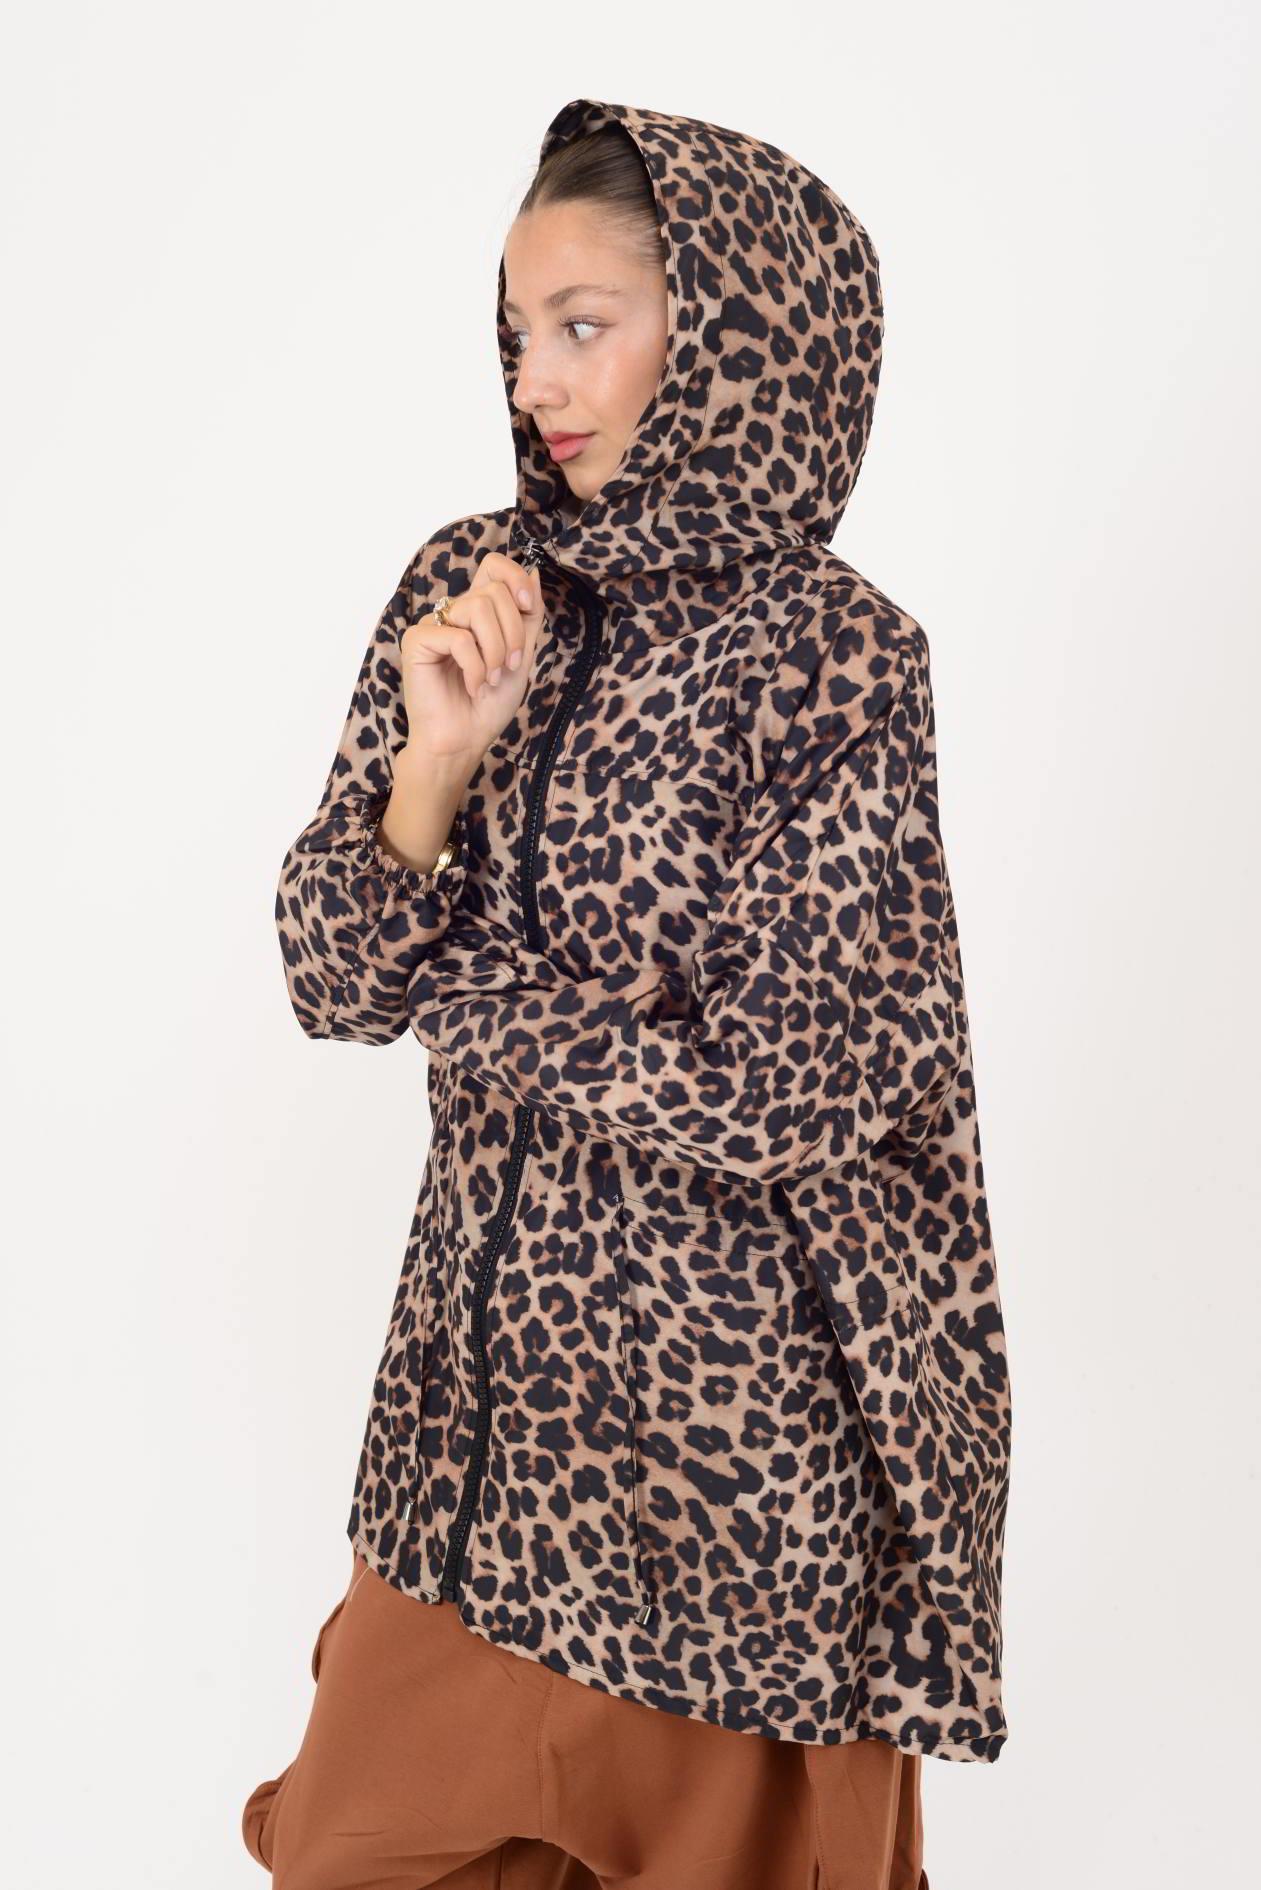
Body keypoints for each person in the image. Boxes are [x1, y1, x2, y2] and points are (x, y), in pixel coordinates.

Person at [242, 95, 1012, 1890]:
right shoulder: (472, 592)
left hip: (739, 1489)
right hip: (474, 1449)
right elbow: (331, 977)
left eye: (583, 325)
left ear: (730, 334)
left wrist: (465, 993)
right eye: (518, 331)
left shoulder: (836, 656)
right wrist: (435, 763)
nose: (537, 382)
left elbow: (785, 1085)